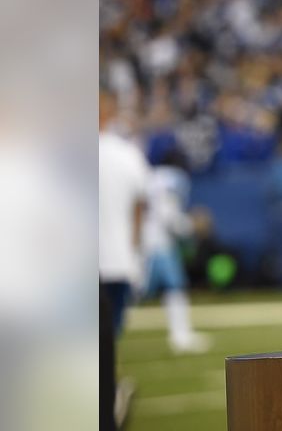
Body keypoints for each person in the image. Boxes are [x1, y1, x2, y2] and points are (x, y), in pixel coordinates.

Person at [99, 88, 149, 427]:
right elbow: (139, 209)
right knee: (106, 341)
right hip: (116, 261)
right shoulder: (127, 153)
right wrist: (134, 253)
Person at [142, 149, 212, 353]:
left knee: (173, 287)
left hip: (144, 240)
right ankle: (181, 336)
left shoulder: (152, 176)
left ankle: (180, 334)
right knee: (171, 287)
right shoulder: (172, 179)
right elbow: (168, 215)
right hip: (158, 242)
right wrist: (191, 225)